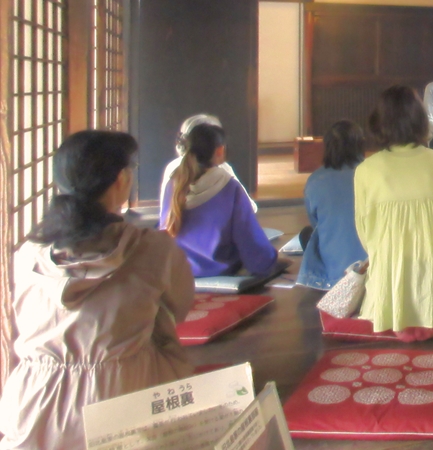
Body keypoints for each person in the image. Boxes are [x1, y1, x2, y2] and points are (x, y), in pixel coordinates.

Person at [0, 131, 193, 450]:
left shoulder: (27, 255)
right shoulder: (152, 249)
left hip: (32, 408)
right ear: (121, 179)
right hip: (121, 399)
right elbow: (180, 306)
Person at [355, 85, 433, 341]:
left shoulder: (367, 169)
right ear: (420, 120)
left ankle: (398, 313)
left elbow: (365, 229)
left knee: (387, 256)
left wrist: (381, 255)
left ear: (379, 123)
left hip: (392, 263)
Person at [161, 123, 280, 278]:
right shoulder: (229, 186)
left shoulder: (174, 183)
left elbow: (164, 229)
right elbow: (248, 238)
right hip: (220, 271)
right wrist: (268, 262)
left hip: (178, 270)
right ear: (220, 150)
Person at [296, 120, 368, 290]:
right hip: (372, 266)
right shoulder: (372, 174)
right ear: (360, 145)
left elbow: (316, 223)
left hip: (335, 274)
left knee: (308, 234)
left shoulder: (315, 180)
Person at [159, 113, 254, 213]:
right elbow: (249, 208)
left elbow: (165, 215)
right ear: (218, 148)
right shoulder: (223, 171)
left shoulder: (173, 170)